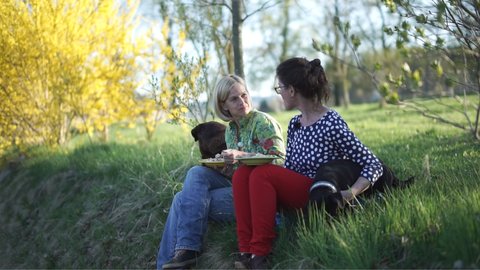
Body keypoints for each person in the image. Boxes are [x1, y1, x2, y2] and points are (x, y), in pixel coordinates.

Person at [232, 57, 384, 269]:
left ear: (292, 90)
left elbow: (372, 163)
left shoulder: (331, 122)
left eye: (280, 88)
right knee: (242, 174)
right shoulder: (295, 123)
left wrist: (350, 194)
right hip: (298, 191)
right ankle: (246, 250)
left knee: (262, 173)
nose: (280, 93)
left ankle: (260, 254)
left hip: (319, 193)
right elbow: (290, 169)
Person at [157, 74, 286, 269]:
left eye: (244, 95)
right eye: (234, 98)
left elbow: (280, 162)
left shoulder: (263, 122)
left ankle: (185, 252)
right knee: (195, 173)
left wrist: (242, 155)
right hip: (240, 189)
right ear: (224, 105)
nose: (242, 101)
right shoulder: (230, 130)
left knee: (182, 200)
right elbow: (239, 174)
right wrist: (227, 169)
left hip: (261, 198)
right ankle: (183, 253)